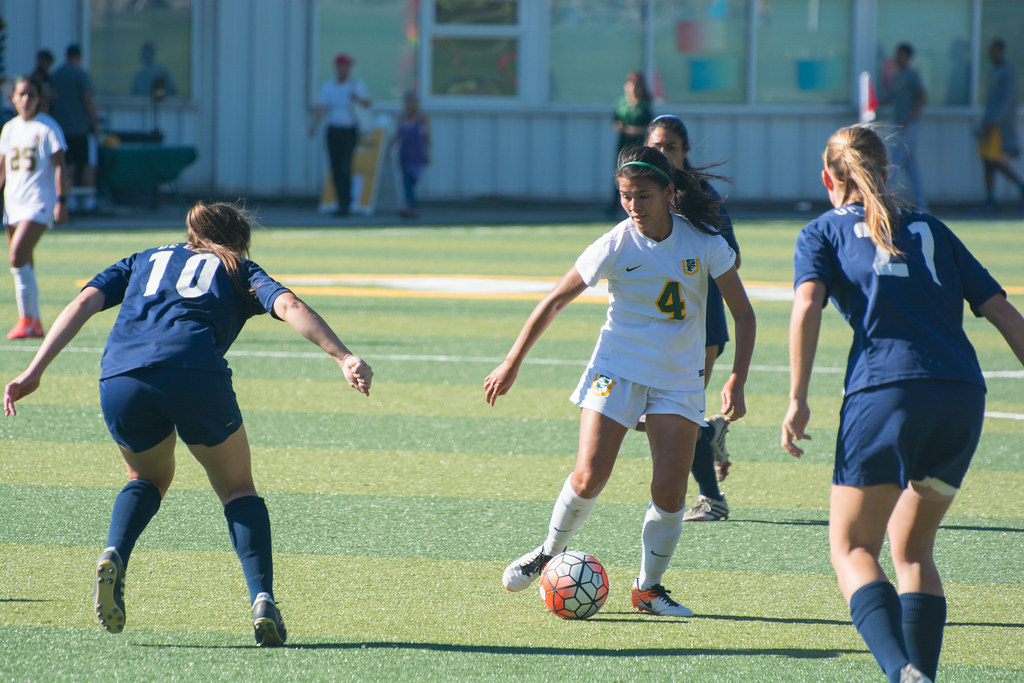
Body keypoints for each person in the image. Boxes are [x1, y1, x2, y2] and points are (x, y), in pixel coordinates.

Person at [3, 201, 373, 646]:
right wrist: (343, 355)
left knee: (148, 476)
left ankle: (115, 552)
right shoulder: (238, 266)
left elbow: (85, 301)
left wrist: (34, 370)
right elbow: (289, 305)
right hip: (194, 372)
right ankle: (261, 599)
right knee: (237, 488)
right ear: (237, 239)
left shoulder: (143, 258)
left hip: (122, 376)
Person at [782, 125, 1024, 682]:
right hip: (962, 396)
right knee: (912, 551)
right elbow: (1004, 313)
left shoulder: (821, 230)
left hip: (885, 392)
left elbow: (806, 307)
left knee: (851, 546)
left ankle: (898, 670)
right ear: (887, 175)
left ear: (828, 179)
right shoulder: (932, 226)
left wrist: (797, 399)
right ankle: (924, 676)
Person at [487, 145, 755, 617]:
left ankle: (648, 589)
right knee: (590, 475)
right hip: (618, 369)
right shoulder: (614, 243)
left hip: (677, 379)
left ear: (670, 193)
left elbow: (744, 315)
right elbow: (553, 301)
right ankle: (548, 552)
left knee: (670, 491)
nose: (633, 206)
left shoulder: (704, 242)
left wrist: (737, 377)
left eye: (643, 196)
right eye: (625, 196)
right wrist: (512, 362)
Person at [643, 114, 739, 522]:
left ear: (685, 153)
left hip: (701, 325)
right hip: (658, 326)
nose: (663, 153)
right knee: (650, 417)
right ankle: (709, 433)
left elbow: (732, 256)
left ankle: (712, 499)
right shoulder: (642, 195)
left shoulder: (701, 196)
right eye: (657, 147)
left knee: (677, 415)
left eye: (671, 147)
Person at [0, 75, 68, 339]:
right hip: (13, 204)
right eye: (21, 94)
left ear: (40, 99)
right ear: (13, 98)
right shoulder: (9, 129)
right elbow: (3, 169)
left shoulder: (47, 127)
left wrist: (61, 201)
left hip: (38, 203)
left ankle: (28, 320)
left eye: (31, 94)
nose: (26, 99)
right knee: (23, 262)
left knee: (16, 256)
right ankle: (32, 321)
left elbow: (60, 165)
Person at [308, 53, 371, 217]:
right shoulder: (328, 86)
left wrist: (357, 98)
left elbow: (367, 103)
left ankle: (346, 203)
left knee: (345, 166)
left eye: (348, 67)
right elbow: (321, 107)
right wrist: (314, 125)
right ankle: (340, 203)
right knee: (335, 167)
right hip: (333, 130)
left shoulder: (355, 85)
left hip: (349, 130)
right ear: (337, 67)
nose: (346, 70)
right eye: (343, 66)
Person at [48, 44, 100, 214]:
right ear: (79, 57)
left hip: (60, 129)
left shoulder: (55, 75)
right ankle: (88, 201)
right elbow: (87, 100)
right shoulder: (80, 74)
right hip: (80, 128)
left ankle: (68, 200)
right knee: (86, 164)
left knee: (66, 165)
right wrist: (95, 123)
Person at [977, 39, 1023, 213]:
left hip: (998, 126)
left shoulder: (1008, 71)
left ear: (1001, 51)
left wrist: (995, 120)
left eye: (995, 51)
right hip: (988, 123)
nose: (992, 54)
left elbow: (1008, 100)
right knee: (987, 161)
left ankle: (1021, 186)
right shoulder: (992, 72)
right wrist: (985, 121)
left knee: (996, 160)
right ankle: (990, 199)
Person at [881, 43, 928, 211]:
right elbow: (890, 98)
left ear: (908, 57)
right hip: (899, 124)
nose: (897, 57)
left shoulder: (912, 76)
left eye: (901, 54)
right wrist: (872, 103)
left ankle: (885, 200)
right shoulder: (896, 77)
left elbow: (922, 99)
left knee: (896, 160)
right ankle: (920, 203)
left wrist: (910, 119)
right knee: (911, 165)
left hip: (908, 125)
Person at [606, 71, 653, 215]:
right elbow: (616, 120)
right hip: (623, 145)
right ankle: (615, 205)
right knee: (620, 173)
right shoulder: (621, 103)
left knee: (638, 174)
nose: (632, 88)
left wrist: (634, 130)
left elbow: (649, 126)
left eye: (635, 85)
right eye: (630, 85)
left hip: (638, 146)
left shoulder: (643, 106)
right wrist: (620, 127)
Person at [387, 90, 429, 219]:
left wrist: (427, 153)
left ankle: (410, 206)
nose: (409, 104)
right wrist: (389, 148)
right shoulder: (401, 117)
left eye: (411, 102)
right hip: (404, 154)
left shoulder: (422, 118)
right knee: (406, 181)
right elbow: (397, 135)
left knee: (411, 179)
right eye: (407, 102)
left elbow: (427, 137)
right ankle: (410, 207)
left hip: (417, 154)